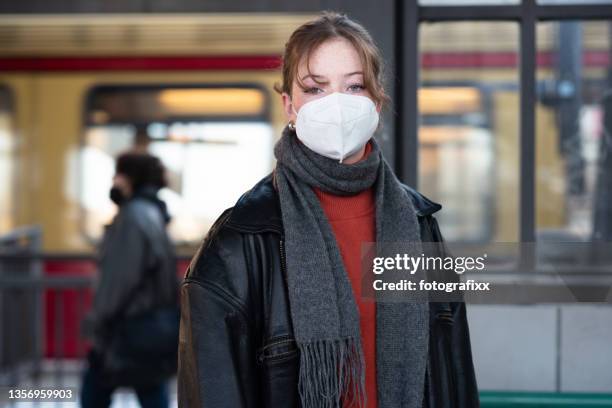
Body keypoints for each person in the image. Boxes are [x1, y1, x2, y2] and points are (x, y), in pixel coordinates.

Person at [178, 12, 479, 408]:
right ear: (289, 105)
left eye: (354, 86)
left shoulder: (418, 224)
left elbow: (452, 369)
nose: (336, 105)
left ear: (376, 101)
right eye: (315, 89)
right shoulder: (241, 239)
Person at [81, 152, 179, 408]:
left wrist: (98, 320)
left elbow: (118, 280)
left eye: (118, 174)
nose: (114, 180)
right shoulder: (152, 214)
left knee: (94, 393)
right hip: (149, 326)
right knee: (150, 389)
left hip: (126, 327)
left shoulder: (132, 218)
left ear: (129, 178)